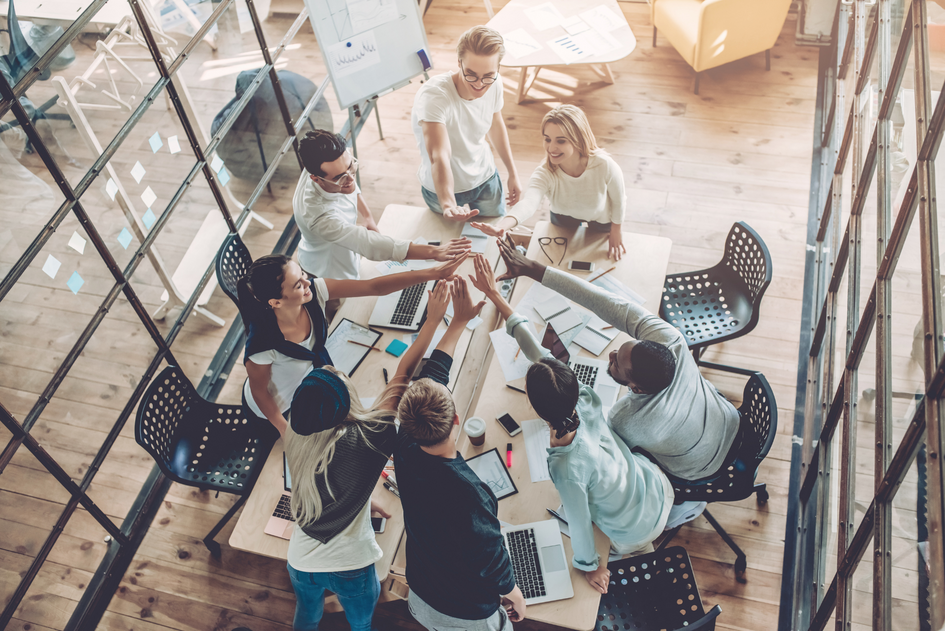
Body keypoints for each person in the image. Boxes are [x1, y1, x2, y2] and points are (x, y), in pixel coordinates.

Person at [469, 254, 673, 594]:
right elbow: (536, 350)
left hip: (634, 532)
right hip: (654, 488)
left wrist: (590, 567)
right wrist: (497, 297)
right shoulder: (587, 398)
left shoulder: (566, 467)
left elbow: (579, 523)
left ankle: (638, 558)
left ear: (535, 408)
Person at [494, 238, 741, 482]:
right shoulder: (670, 339)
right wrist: (534, 269)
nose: (610, 355)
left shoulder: (626, 419)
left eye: (616, 364)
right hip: (728, 419)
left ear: (637, 388)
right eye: (620, 350)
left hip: (701, 467)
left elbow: (605, 450)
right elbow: (604, 301)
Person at [284, 281, 454, 631]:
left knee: (307, 613)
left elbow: (328, 477)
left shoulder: (296, 432)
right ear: (345, 403)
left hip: (300, 559)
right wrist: (433, 320)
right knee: (360, 619)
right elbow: (403, 375)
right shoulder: (372, 437)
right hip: (350, 564)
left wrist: (359, 499)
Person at [394, 277, 527, 631]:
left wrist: (456, 322)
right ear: (456, 419)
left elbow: (431, 374)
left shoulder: (405, 442)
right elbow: (489, 552)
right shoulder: (466, 491)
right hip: (464, 613)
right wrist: (512, 590)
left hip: (420, 589)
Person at [237, 251, 468, 437]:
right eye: (298, 284)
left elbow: (373, 287)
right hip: (281, 411)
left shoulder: (313, 292)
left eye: (303, 274)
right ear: (276, 302)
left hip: (311, 388)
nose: (308, 282)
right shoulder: (262, 346)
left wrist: (433, 273)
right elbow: (260, 392)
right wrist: (284, 430)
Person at [293, 129, 471, 281]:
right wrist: (434, 252)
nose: (350, 178)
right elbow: (368, 243)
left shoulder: (322, 162)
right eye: (340, 177)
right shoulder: (318, 217)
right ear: (315, 178)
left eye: (351, 167)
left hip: (346, 254)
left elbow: (350, 184)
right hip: (328, 270)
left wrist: (368, 216)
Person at [471, 104, 628, 260]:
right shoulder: (545, 172)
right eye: (547, 139)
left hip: (601, 217)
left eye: (561, 141)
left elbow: (618, 199)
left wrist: (617, 229)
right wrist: (501, 226)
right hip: (563, 216)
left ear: (578, 140)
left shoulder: (604, 165)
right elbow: (529, 203)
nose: (551, 148)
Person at [411, 25, 521, 222]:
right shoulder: (435, 97)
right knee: (450, 245)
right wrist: (448, 204)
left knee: (492, 236)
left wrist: (512, 172)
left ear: (498, 69)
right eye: (471, 74)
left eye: (488, 76)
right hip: (441, 190)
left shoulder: (495, 83)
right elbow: (439, 155)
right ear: (459, 62)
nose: (479, 84)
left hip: (485, 178)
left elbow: (495, 124)